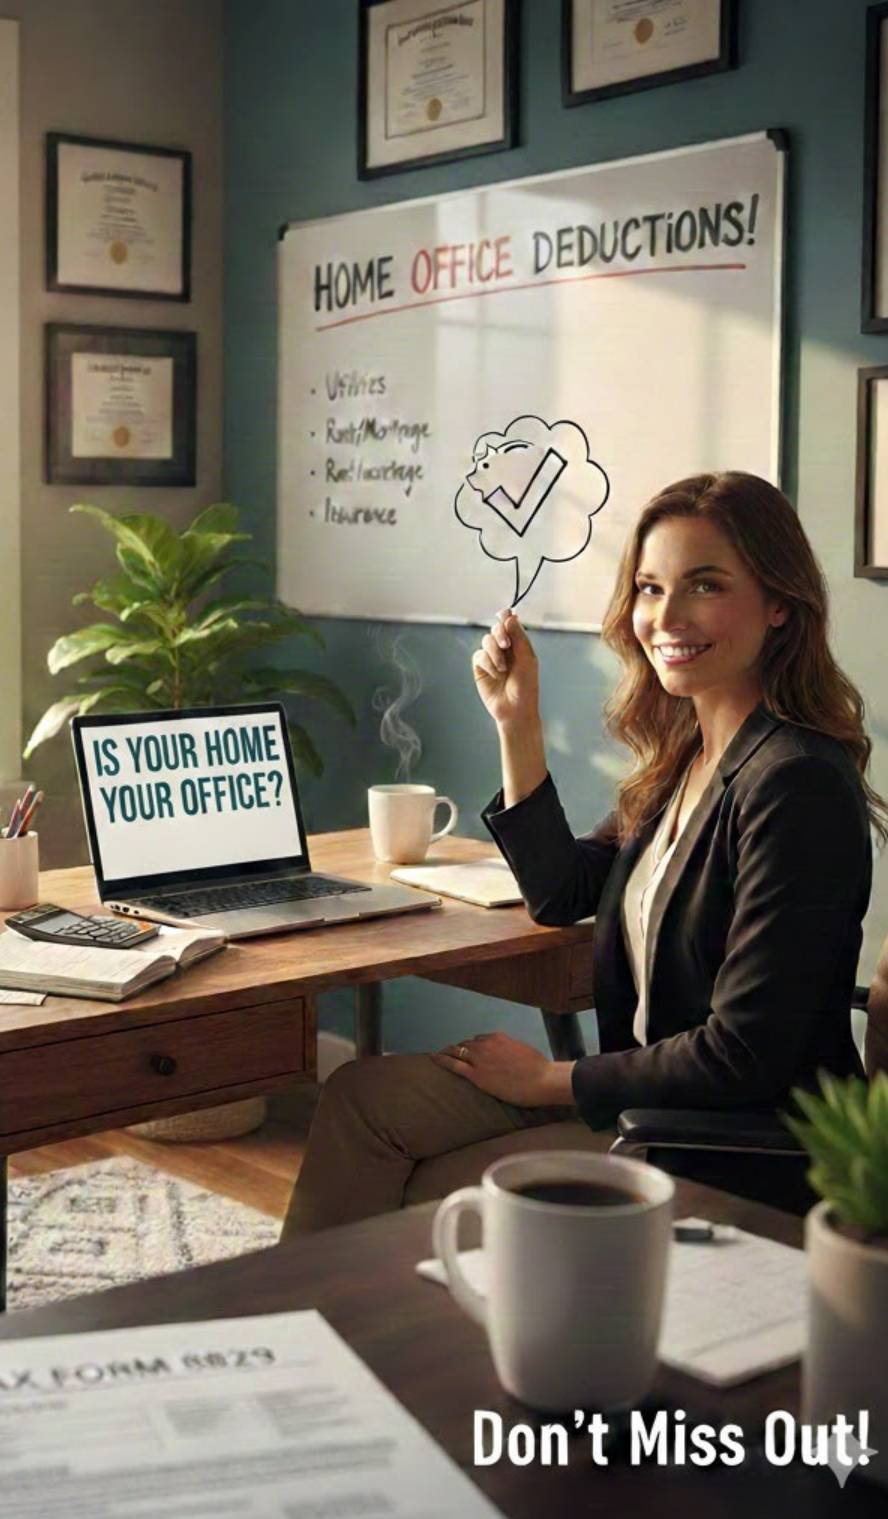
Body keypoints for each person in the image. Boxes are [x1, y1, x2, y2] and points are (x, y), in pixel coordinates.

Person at [282, 471, 882, 1236]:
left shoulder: (794, 784)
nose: (666, 616)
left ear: (778, 607)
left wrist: (548, 1080)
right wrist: (516, 721)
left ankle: (347, 1327)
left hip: (726, 1142)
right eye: (650, 588)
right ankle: (312, 1332)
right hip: (640, 1101)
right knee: (361, 1098)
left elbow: (747, 1055)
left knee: (435, 1184)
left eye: (704, 586)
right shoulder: (692, 754)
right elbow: (564, 891)